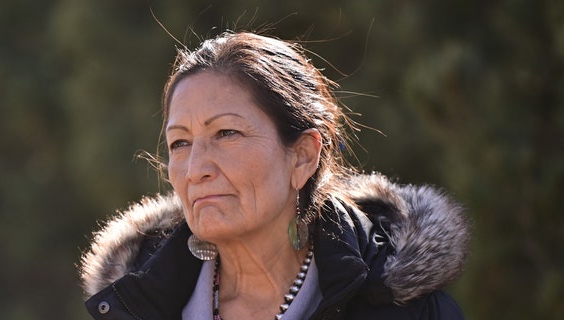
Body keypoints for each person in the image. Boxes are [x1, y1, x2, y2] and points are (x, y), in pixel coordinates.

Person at [79, 32, 469, 319]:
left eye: (226, 134)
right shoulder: (131, 307)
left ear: (302, 157)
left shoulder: (410, 311)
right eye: (180, 143)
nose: (196, 169)